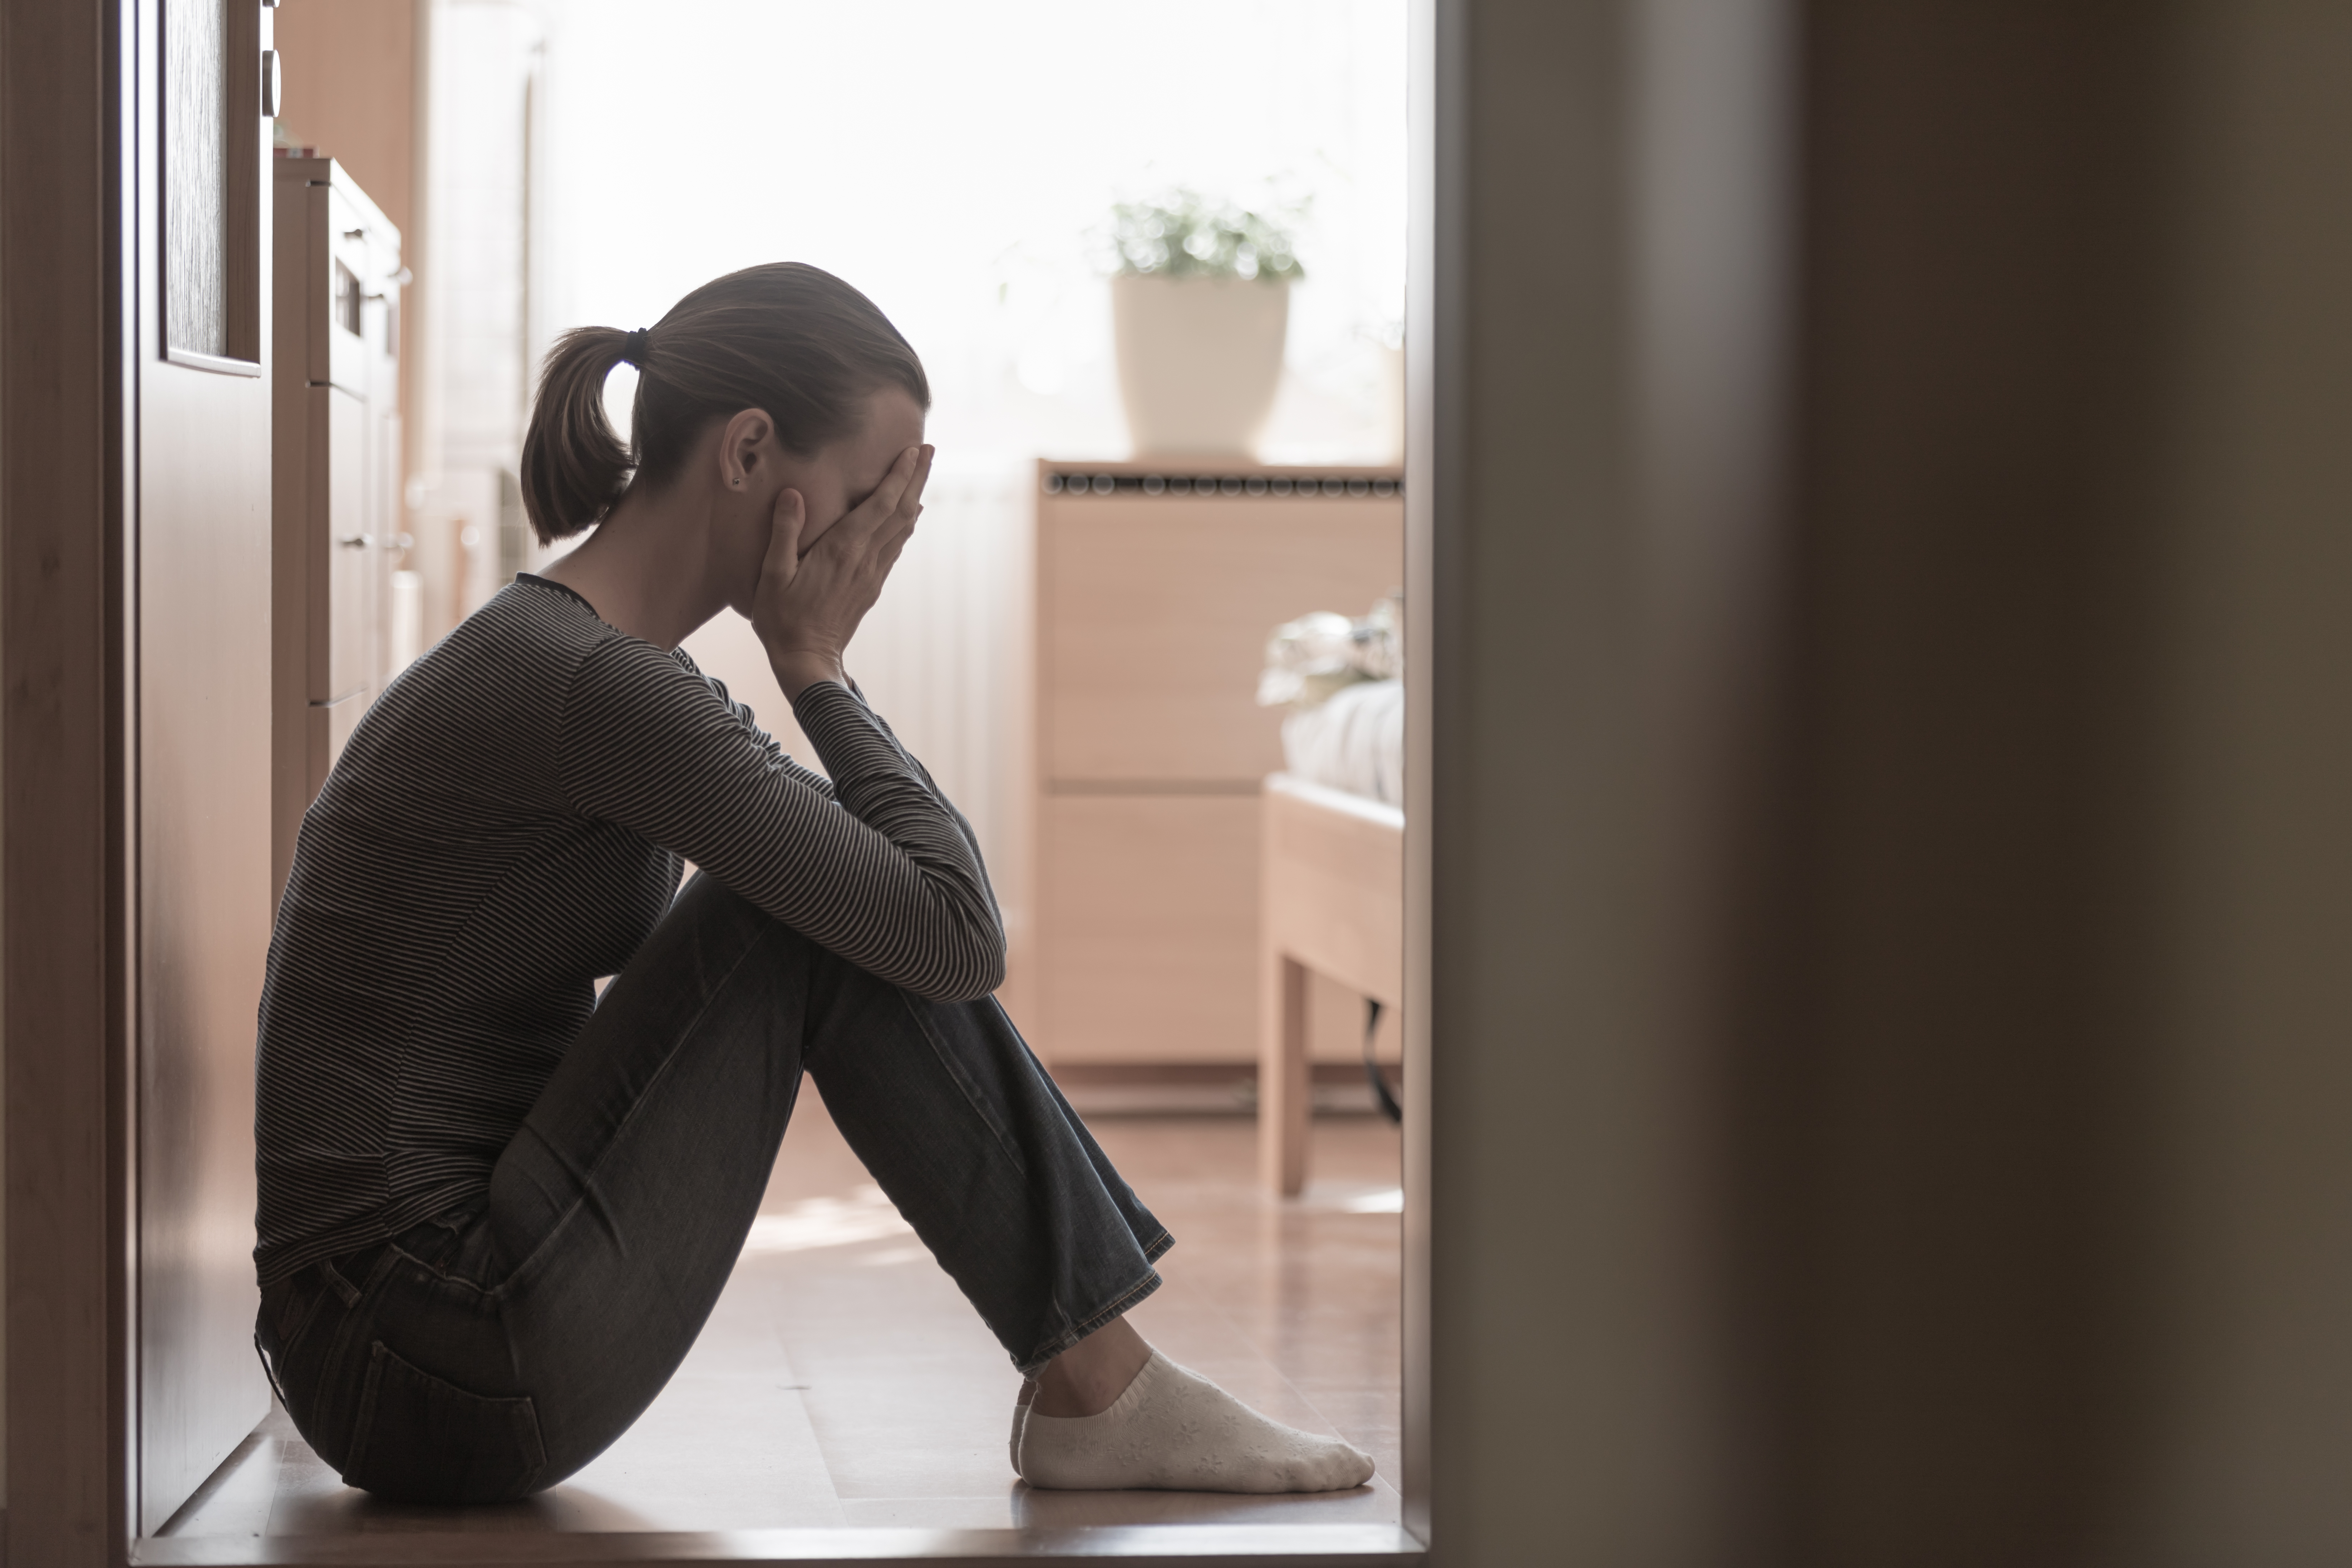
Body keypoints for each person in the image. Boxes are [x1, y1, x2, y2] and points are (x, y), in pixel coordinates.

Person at [251, 262, 1374, 1505]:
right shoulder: (592, 686)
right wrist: (816, 661)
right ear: (746, 455)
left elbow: (918, 914)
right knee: (799, 913)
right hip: (419, 1354)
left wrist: (813, 666)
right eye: (862, 495)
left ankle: (1099, 1380)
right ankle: (1102, 1386)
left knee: (825, 892)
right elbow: (955, 933)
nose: (872, 537)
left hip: (399, 1345)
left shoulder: (588, 663)